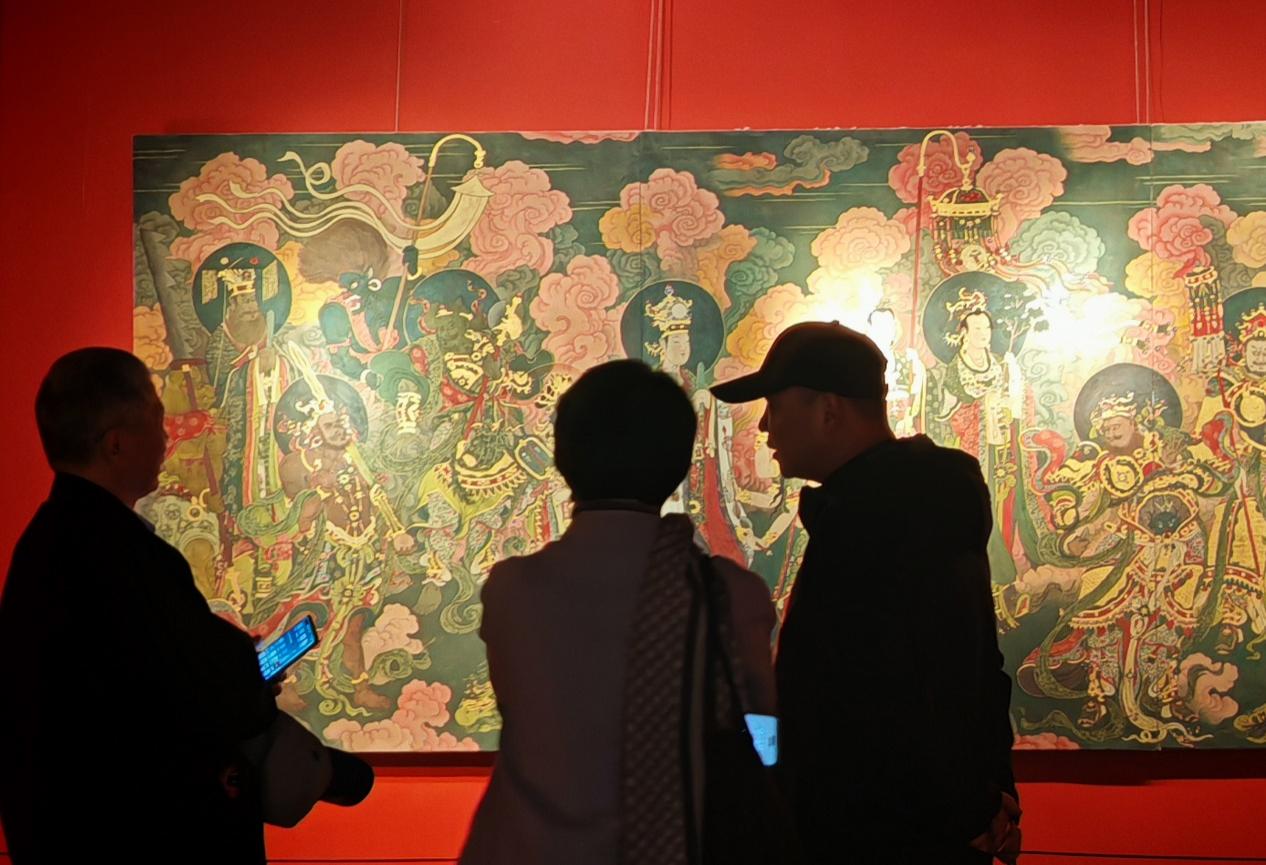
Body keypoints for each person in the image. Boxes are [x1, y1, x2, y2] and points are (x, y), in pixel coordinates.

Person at [711, 322, 1020, 865]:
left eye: (774, 406)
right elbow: (974, 665)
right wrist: (990, 790)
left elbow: (914, 683)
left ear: (828, 410)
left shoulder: (879, 520)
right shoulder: (900, 504)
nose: (763, 426)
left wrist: (970, 806)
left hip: (881, 835)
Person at [460, 359, 777, 865]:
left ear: (562, 455)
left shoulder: (512, 590)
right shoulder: (731, 595)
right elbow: (764, 730)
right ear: (678, 464)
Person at [3, 349, 274, 862]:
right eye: (156, 418)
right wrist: (243, 671)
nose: (167, 436)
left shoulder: (47, 542)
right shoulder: (121, 553)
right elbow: (186, 692)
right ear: (116, 443)